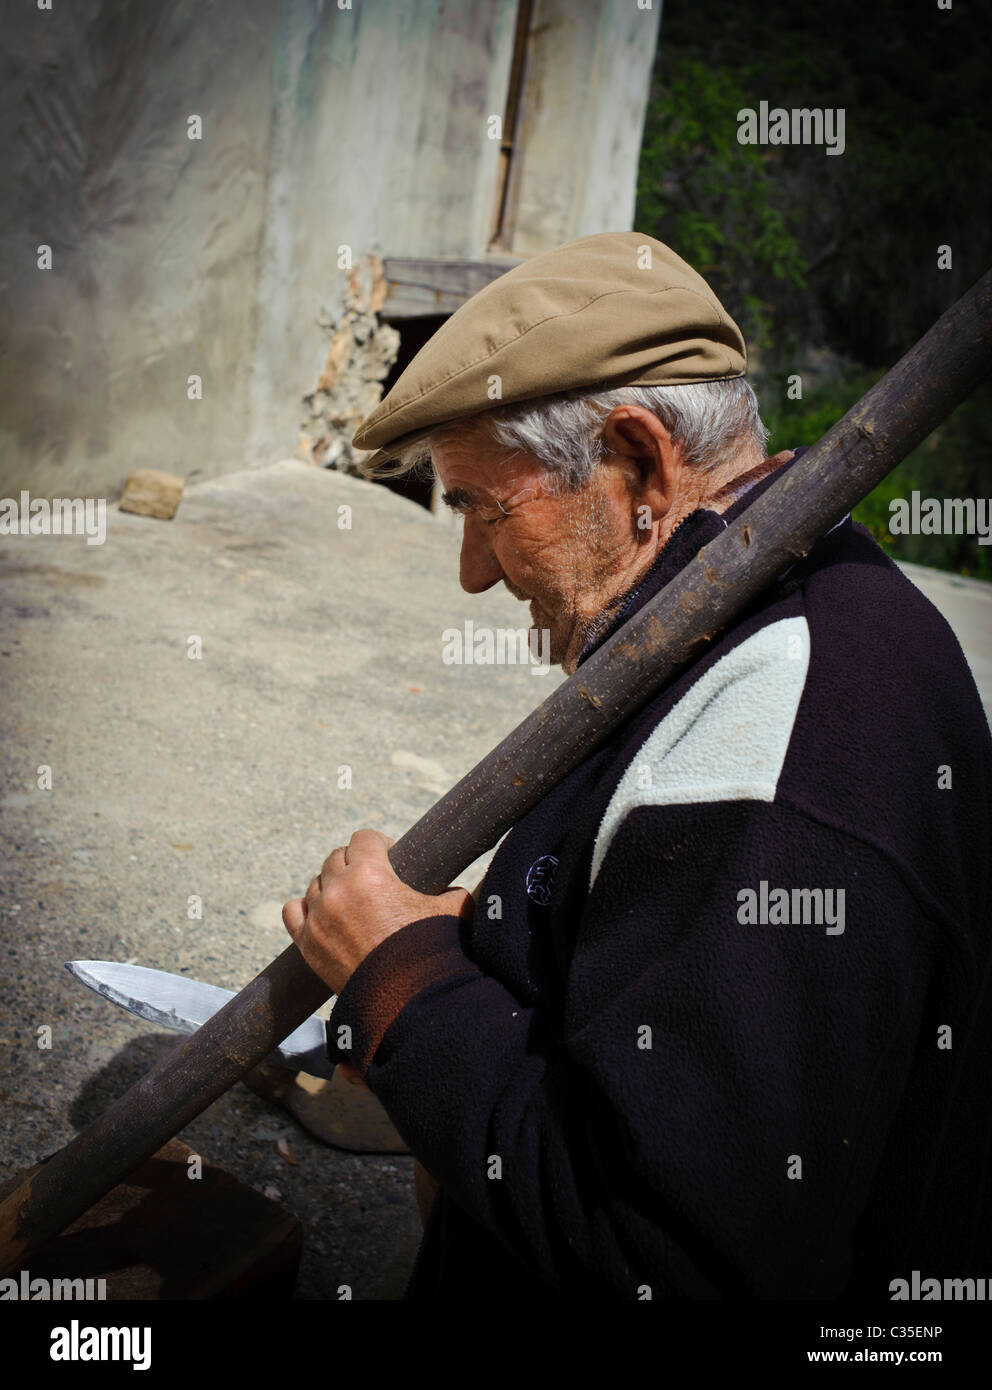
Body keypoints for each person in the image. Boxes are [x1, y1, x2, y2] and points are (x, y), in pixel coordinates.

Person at [282, 232, 992, 1299]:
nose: (473, 572)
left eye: (480, 505)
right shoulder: (768, 618)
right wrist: (499, 938)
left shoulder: (783, 730)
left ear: (635, 463)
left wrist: (406, 989)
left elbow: (666, 1252)